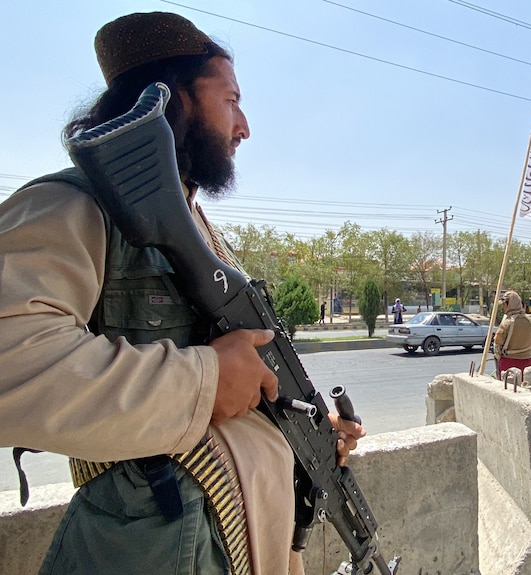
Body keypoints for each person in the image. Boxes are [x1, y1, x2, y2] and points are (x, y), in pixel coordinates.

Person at [0, 12, 364, 574]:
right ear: (175, 100)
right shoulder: (74, 206)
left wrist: (310, 430)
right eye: (232, 99)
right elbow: (11, 360)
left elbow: (242, 390)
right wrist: (204, 378)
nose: (244, 126)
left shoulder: (198, 231)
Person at [493, 291, 531, 376]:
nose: (503, 307)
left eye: (504, 304)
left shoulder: (507, 323)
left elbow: (497, 345)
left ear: (508, 304)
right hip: (527, 363)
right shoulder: (530, 321)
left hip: (509, 364)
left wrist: (498, 357)